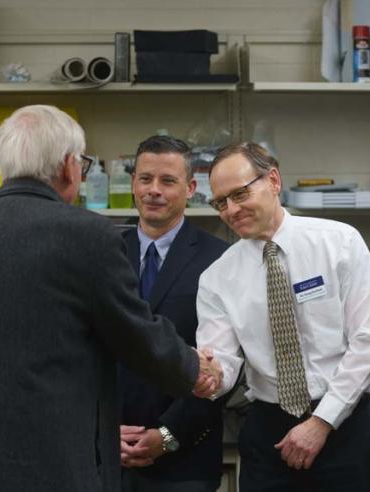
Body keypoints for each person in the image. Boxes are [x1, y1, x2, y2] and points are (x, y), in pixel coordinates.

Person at [0, 105, 222, 492]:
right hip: (50, 473)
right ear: (67, 167)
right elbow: (137, 334)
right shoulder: (87, 237)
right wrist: (194, 369)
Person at [195, 142, 370, 492]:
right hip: (269, 430)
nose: (231, 210)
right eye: (220, 202)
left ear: (273, 180)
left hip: (344, 424)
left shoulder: (340, 243)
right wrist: (207, 374)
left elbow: (368, 342)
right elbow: (221, 364)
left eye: (239, 194)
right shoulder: (216, 278)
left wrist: (321, 421)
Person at [119, 135, 230, 492]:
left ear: (190, 188)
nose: (154, 190)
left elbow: (224, 364)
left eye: (168, 181)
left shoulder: (220, 259)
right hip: (109, 455)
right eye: (145, 179)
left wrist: (167, 434)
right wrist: (103, 430)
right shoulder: (102, 253)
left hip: (185, 463)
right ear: (133, 182)